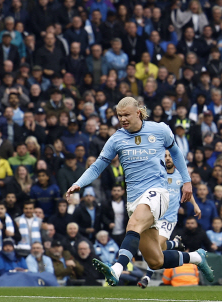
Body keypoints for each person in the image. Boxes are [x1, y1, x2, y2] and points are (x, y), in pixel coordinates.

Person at [66, 97, 213, 286]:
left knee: (133, 225)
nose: (123, 119)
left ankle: (116, 269)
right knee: (155, 260)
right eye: (119, 116)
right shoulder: (117, 139)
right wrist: (79, 183)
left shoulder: (160, 130)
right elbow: (97, 166)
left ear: (138, 112)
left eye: (126, 114)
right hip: (134, 199)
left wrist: (187, 181)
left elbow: (175, 152)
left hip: (158, 192)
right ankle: (196, 258)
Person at [138, 149, 201, 288]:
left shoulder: (180, 176)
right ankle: (174, 244)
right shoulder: (158, 175)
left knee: (156, 247)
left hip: (169, 219)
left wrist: (195, 206)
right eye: (165, 156)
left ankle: (147, 277)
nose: (167, 158)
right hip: (155, 215)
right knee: (151, 246)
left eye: (170, 156)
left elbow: (188, 193)